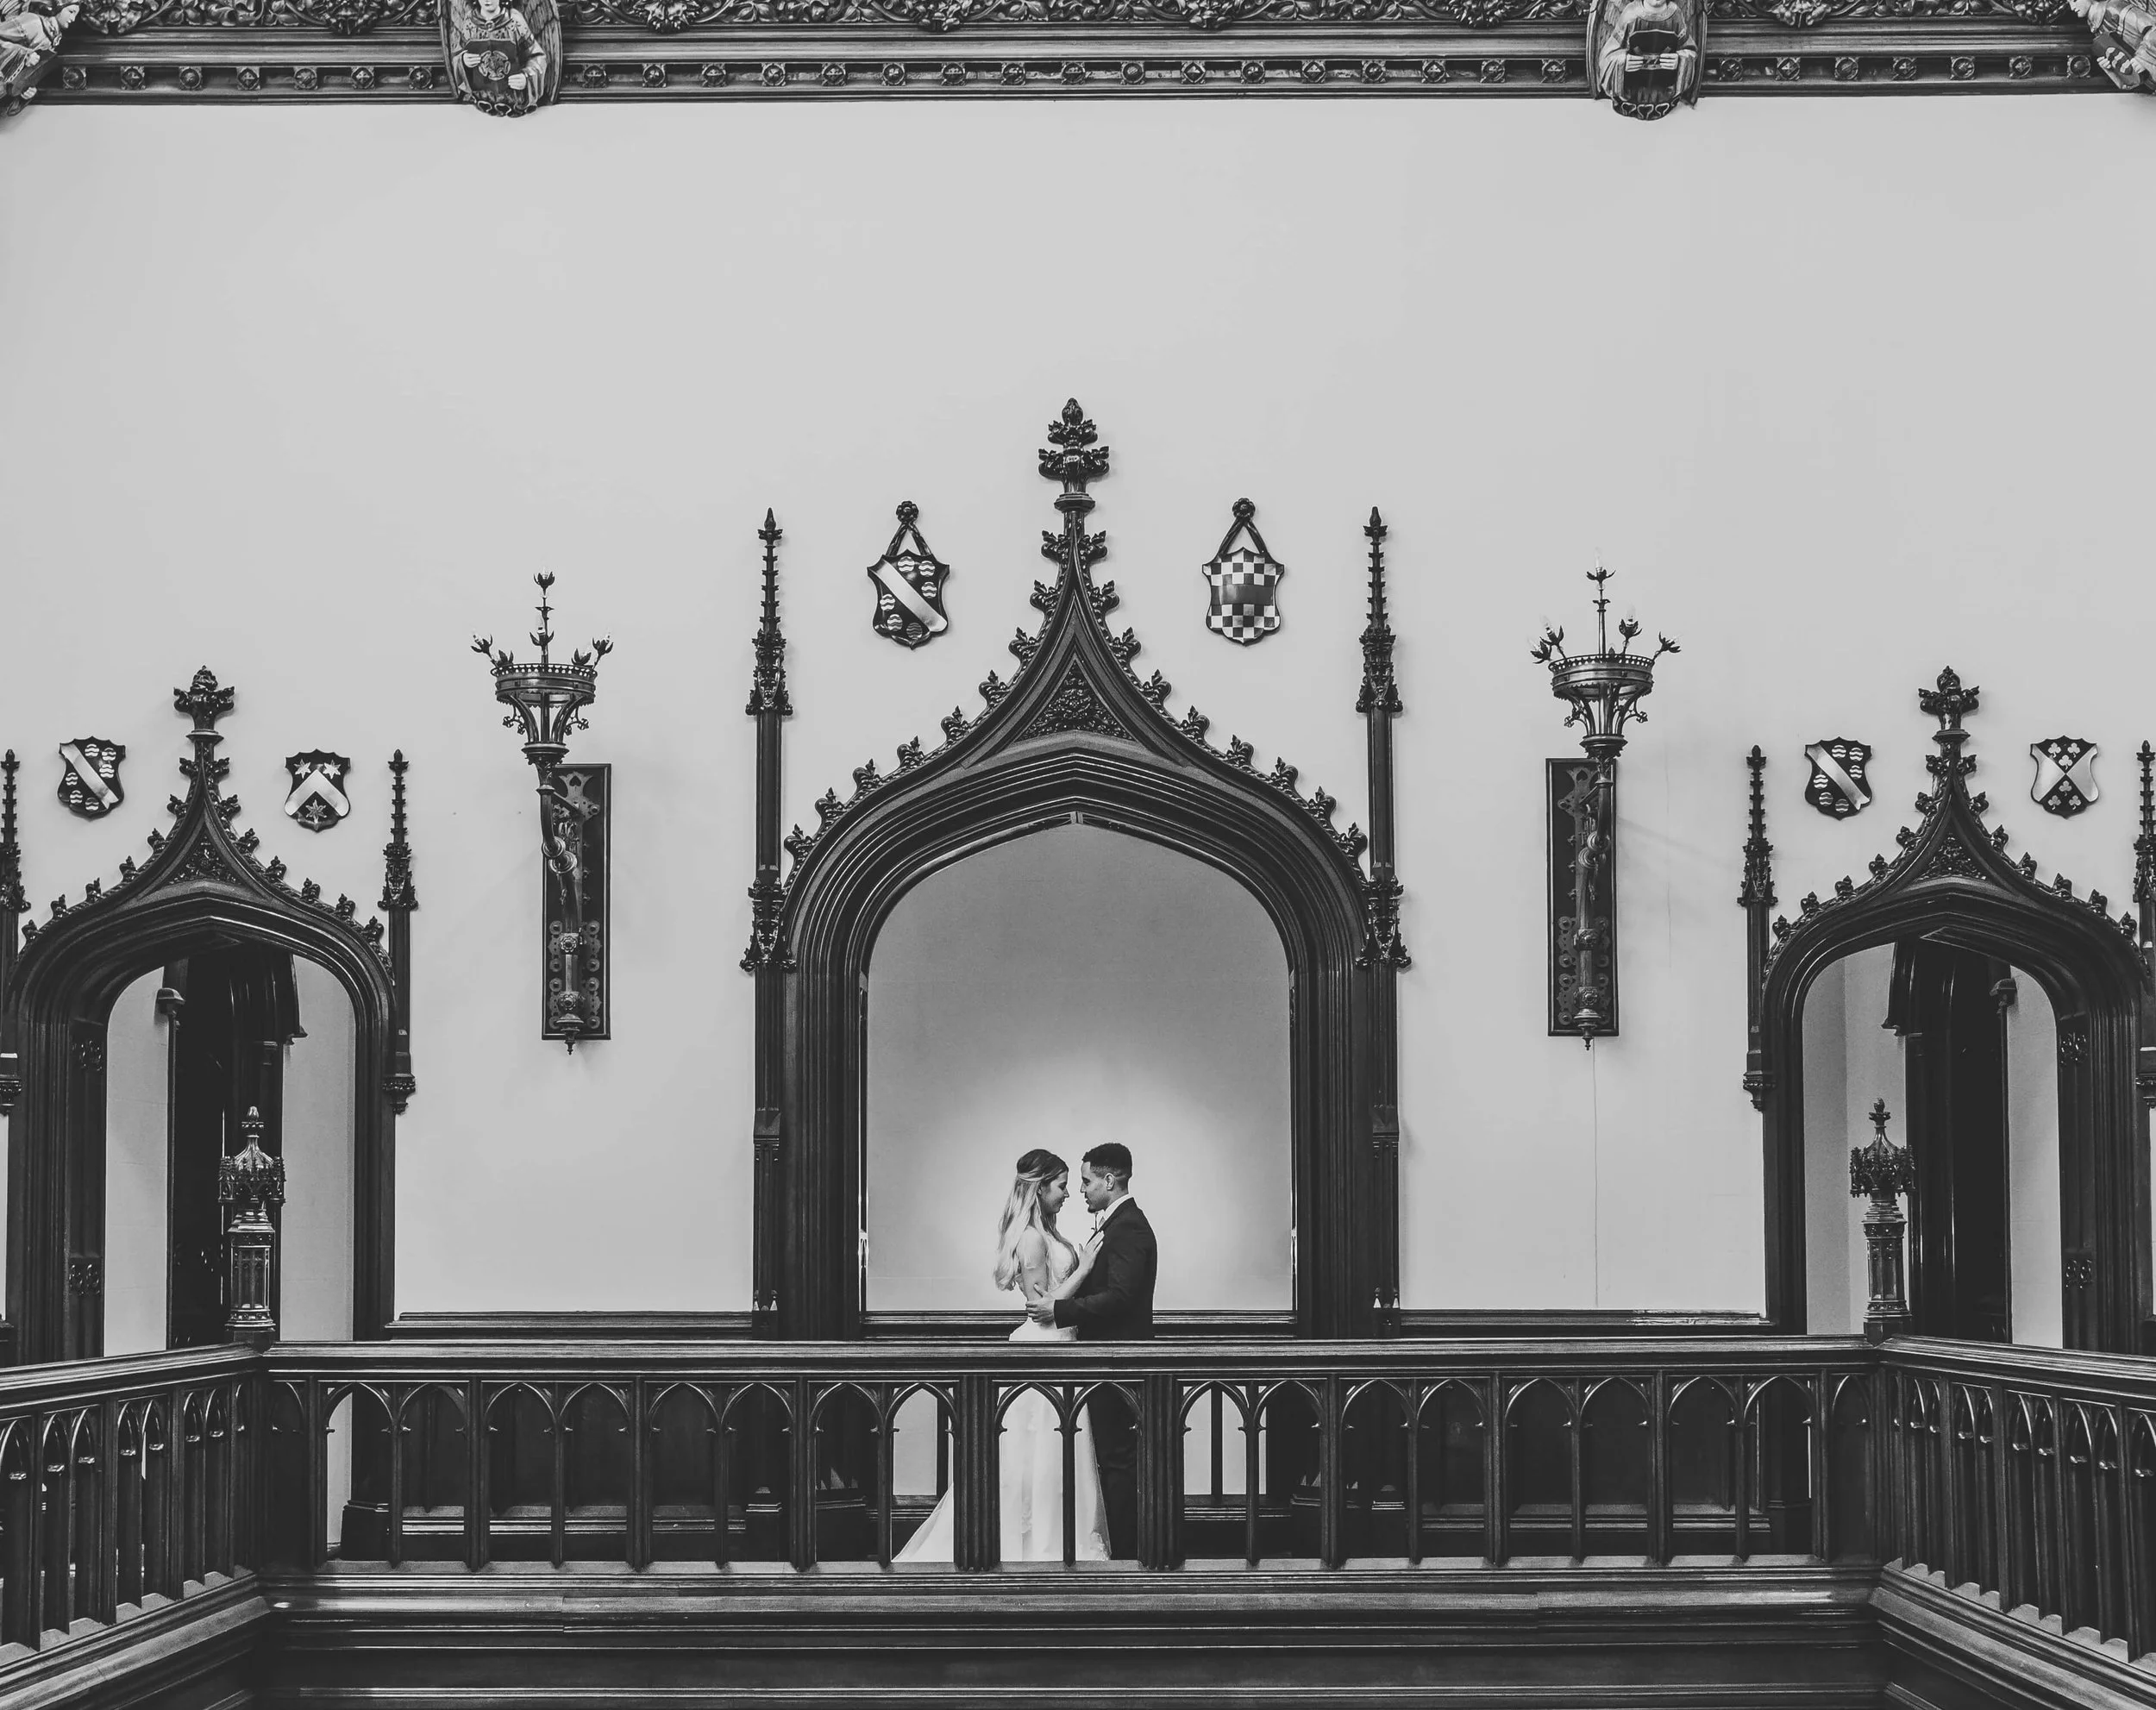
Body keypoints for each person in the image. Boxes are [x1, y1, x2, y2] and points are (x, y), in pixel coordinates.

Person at [896, 1149, 1111, 1563]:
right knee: (1035, 1456)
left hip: (1065, 1345)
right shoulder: (1030, 1237)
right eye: (1062, 1186)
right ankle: (1035, 1546)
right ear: (1040, 1187)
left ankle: (1059, 1539)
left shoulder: (1048, 1232)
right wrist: (1084, 1270)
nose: (1067, 1195)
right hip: (1043, 1349)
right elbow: (1039, 1306)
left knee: (1058, 1454)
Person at [1028, 1142, 1156, 1559]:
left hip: (1117, 1362)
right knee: (1109, 1461)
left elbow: (1119, 1297)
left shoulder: (1130, 1227)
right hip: (1102, 1360)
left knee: (1117, 1463)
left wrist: (1059, 1309)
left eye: (1085, 1181)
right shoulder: (1116, 1225)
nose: (1080, 1191)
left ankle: (1128, 1556)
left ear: (1109, 1179)